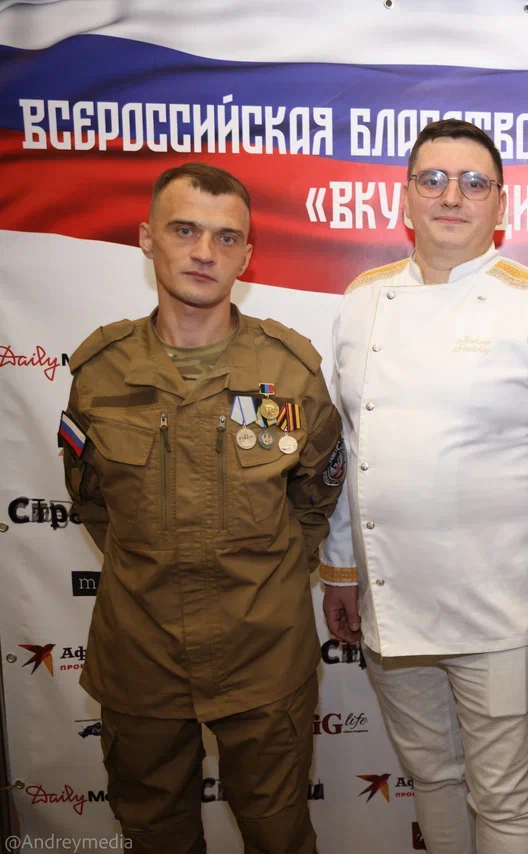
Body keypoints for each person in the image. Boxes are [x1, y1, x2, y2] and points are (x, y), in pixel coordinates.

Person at [318, 119, 528, 854]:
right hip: (393, 601)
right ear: (405, 198)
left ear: (501, 205)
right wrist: (342, 568)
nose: (452, 196)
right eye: (433, 180)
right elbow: (350, 448)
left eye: (474, 183)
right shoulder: (362, 301)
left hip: (500, 610)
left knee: (505, 796)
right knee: (432, 778)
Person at [59, 163, 344, 854]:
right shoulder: (100, 373)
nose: (204, 252)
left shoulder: (289, 372)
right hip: (141, 656)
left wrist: (269, 574)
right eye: (184, 230)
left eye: (226, 237)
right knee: (155, 835)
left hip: (263, 658)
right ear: (146, 238)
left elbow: (317, 492)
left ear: (247, 256)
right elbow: (90, 497)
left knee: (279, 836)